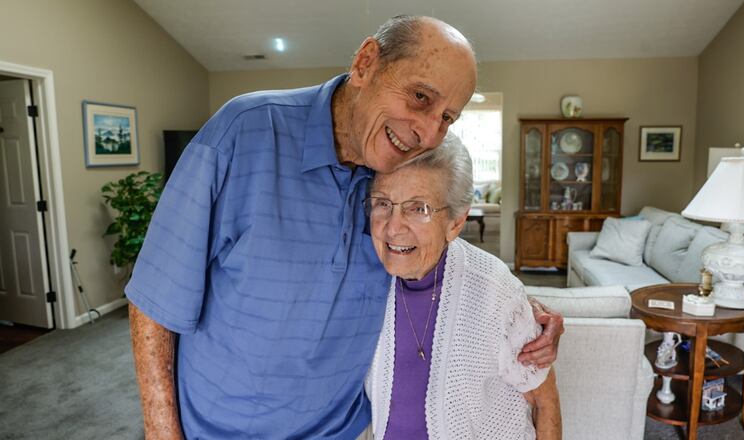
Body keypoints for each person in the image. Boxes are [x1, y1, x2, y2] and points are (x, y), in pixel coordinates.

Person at [127, 15, 564, 439]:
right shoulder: (243, 132)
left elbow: (437, 262)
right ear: (365, 63)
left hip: (346, 429)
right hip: (220, 428)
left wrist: (523, 314)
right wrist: (161, 431)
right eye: (420, 97)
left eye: (447, 118)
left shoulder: (395, 177)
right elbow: (154, 300)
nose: (428, 134)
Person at [364, 133, 561, 439]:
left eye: (419, 208)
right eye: (382, 203)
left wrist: (521, 308)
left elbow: (544, 401)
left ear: (456, 222)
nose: (392, 227)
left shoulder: (495, 290)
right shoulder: (360, 277)